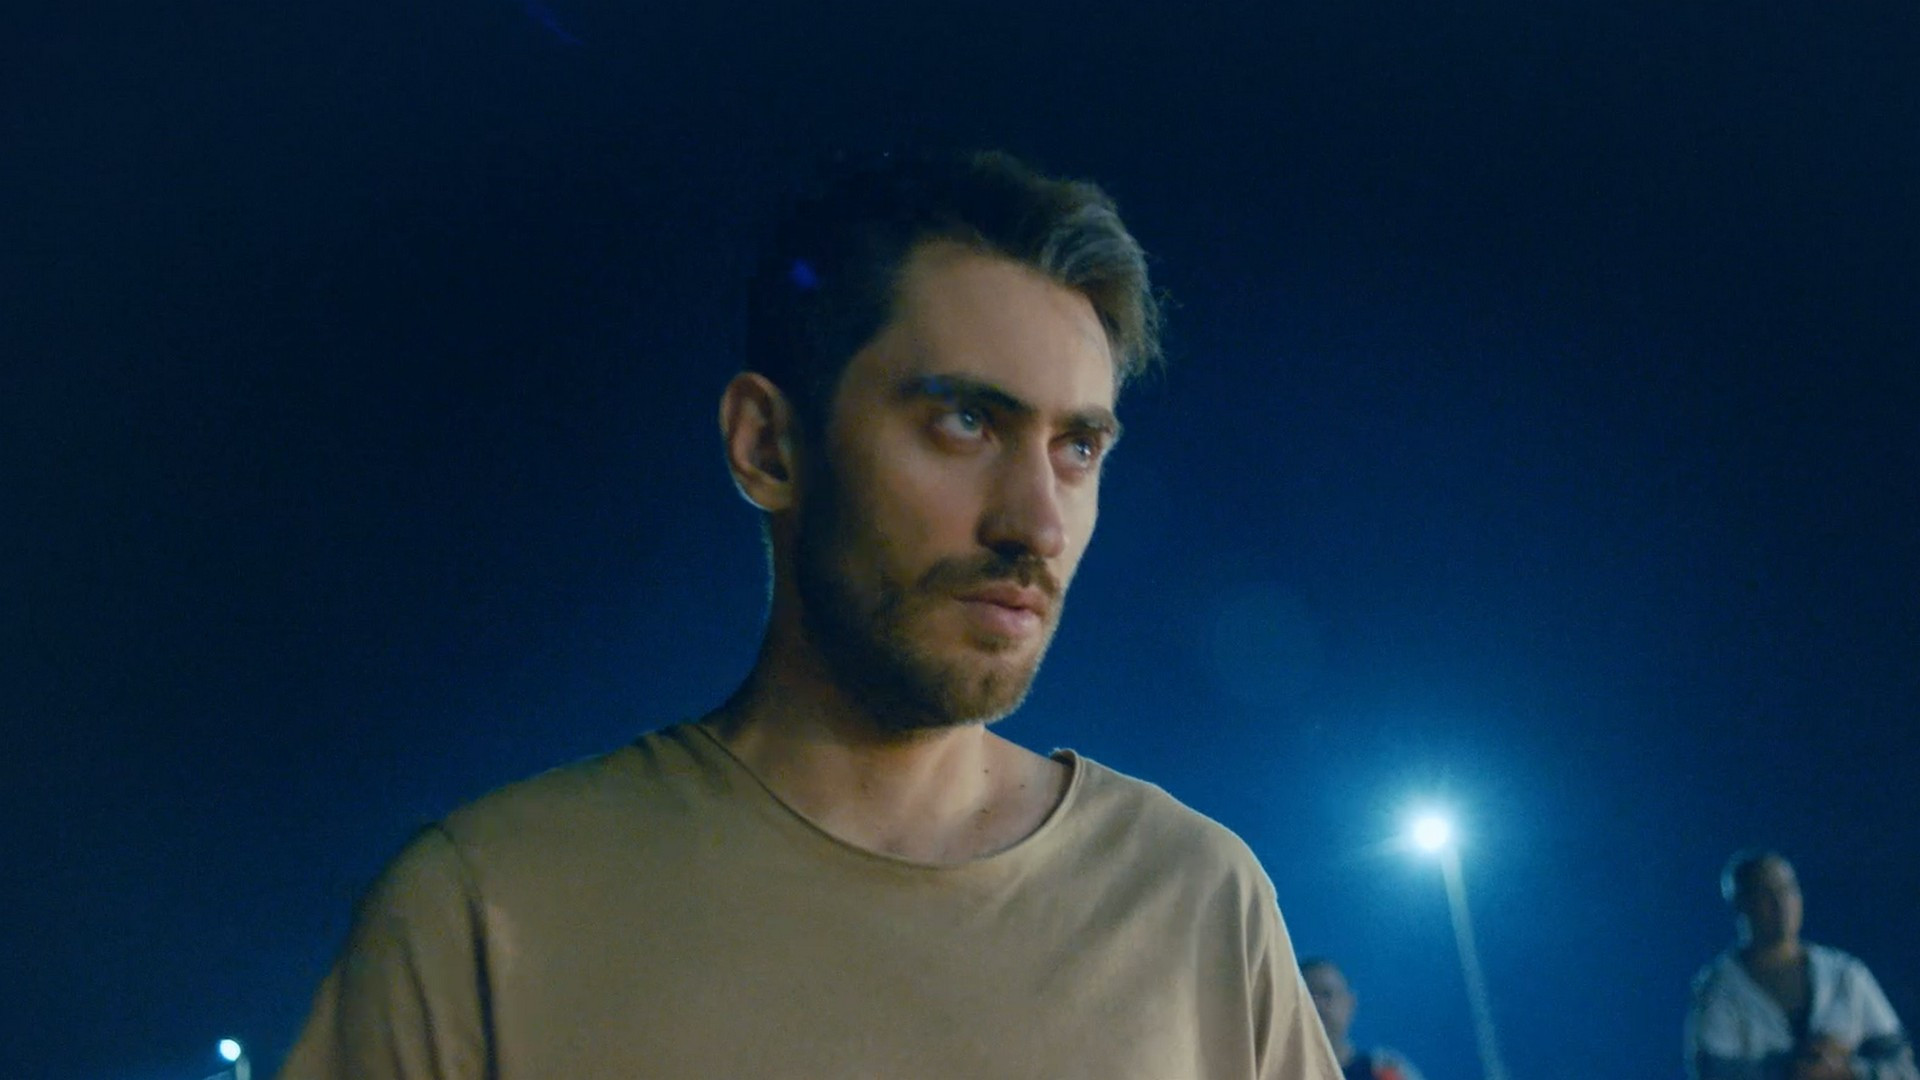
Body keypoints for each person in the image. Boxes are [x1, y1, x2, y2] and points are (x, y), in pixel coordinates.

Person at [277, 151, 1341, 1079]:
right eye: (965, 421)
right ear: (768, 445)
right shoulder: (485, 912)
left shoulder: (1197, 903)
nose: (1037, 522)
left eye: (1078, 448)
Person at [1685, 850, 1916, 1080]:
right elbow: (1713, 1073)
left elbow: (1902, 1065)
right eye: (1765, 892)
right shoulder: (1719, 990)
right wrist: (1790, 1069)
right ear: (1741, 903)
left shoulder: (1845, 975)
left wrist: (1848, 1069)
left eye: (1787, 889)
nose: (1780, 903)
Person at [1301, 958, 1428, 1080]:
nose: (1317, 1005)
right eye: (1308, 996)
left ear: (1350, 1003)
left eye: (1327, 994)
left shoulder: (1384, 1072)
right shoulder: (1288, 1070)